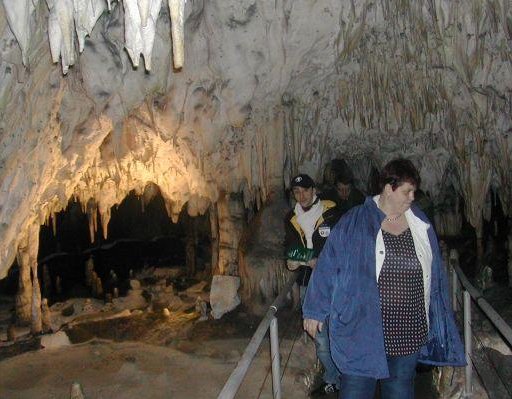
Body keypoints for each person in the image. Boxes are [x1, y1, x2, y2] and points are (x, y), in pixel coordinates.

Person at [303, 159, 465, 399]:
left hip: (407, 330)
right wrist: (315, 310)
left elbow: (435, 273)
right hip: (362, 329)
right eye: (407, 191)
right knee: (356, 391)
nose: (412, 197)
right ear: (389, 188)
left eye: (414, 191)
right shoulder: (355, 220)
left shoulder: (420, 223)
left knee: (399, 391)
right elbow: (329, 263)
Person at [285, 174, 341, 396]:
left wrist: (315, 259)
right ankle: (332, 376)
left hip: (335, 283)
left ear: (314, 190)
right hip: (309, 284)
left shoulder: (332, 213)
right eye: (297, 192)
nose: (302, 196)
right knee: (320, 339)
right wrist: (292, 260)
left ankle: (347, 375)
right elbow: (289, 248)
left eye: (306, 190)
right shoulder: (291, 218)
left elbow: (340, 246)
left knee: (337, 332)